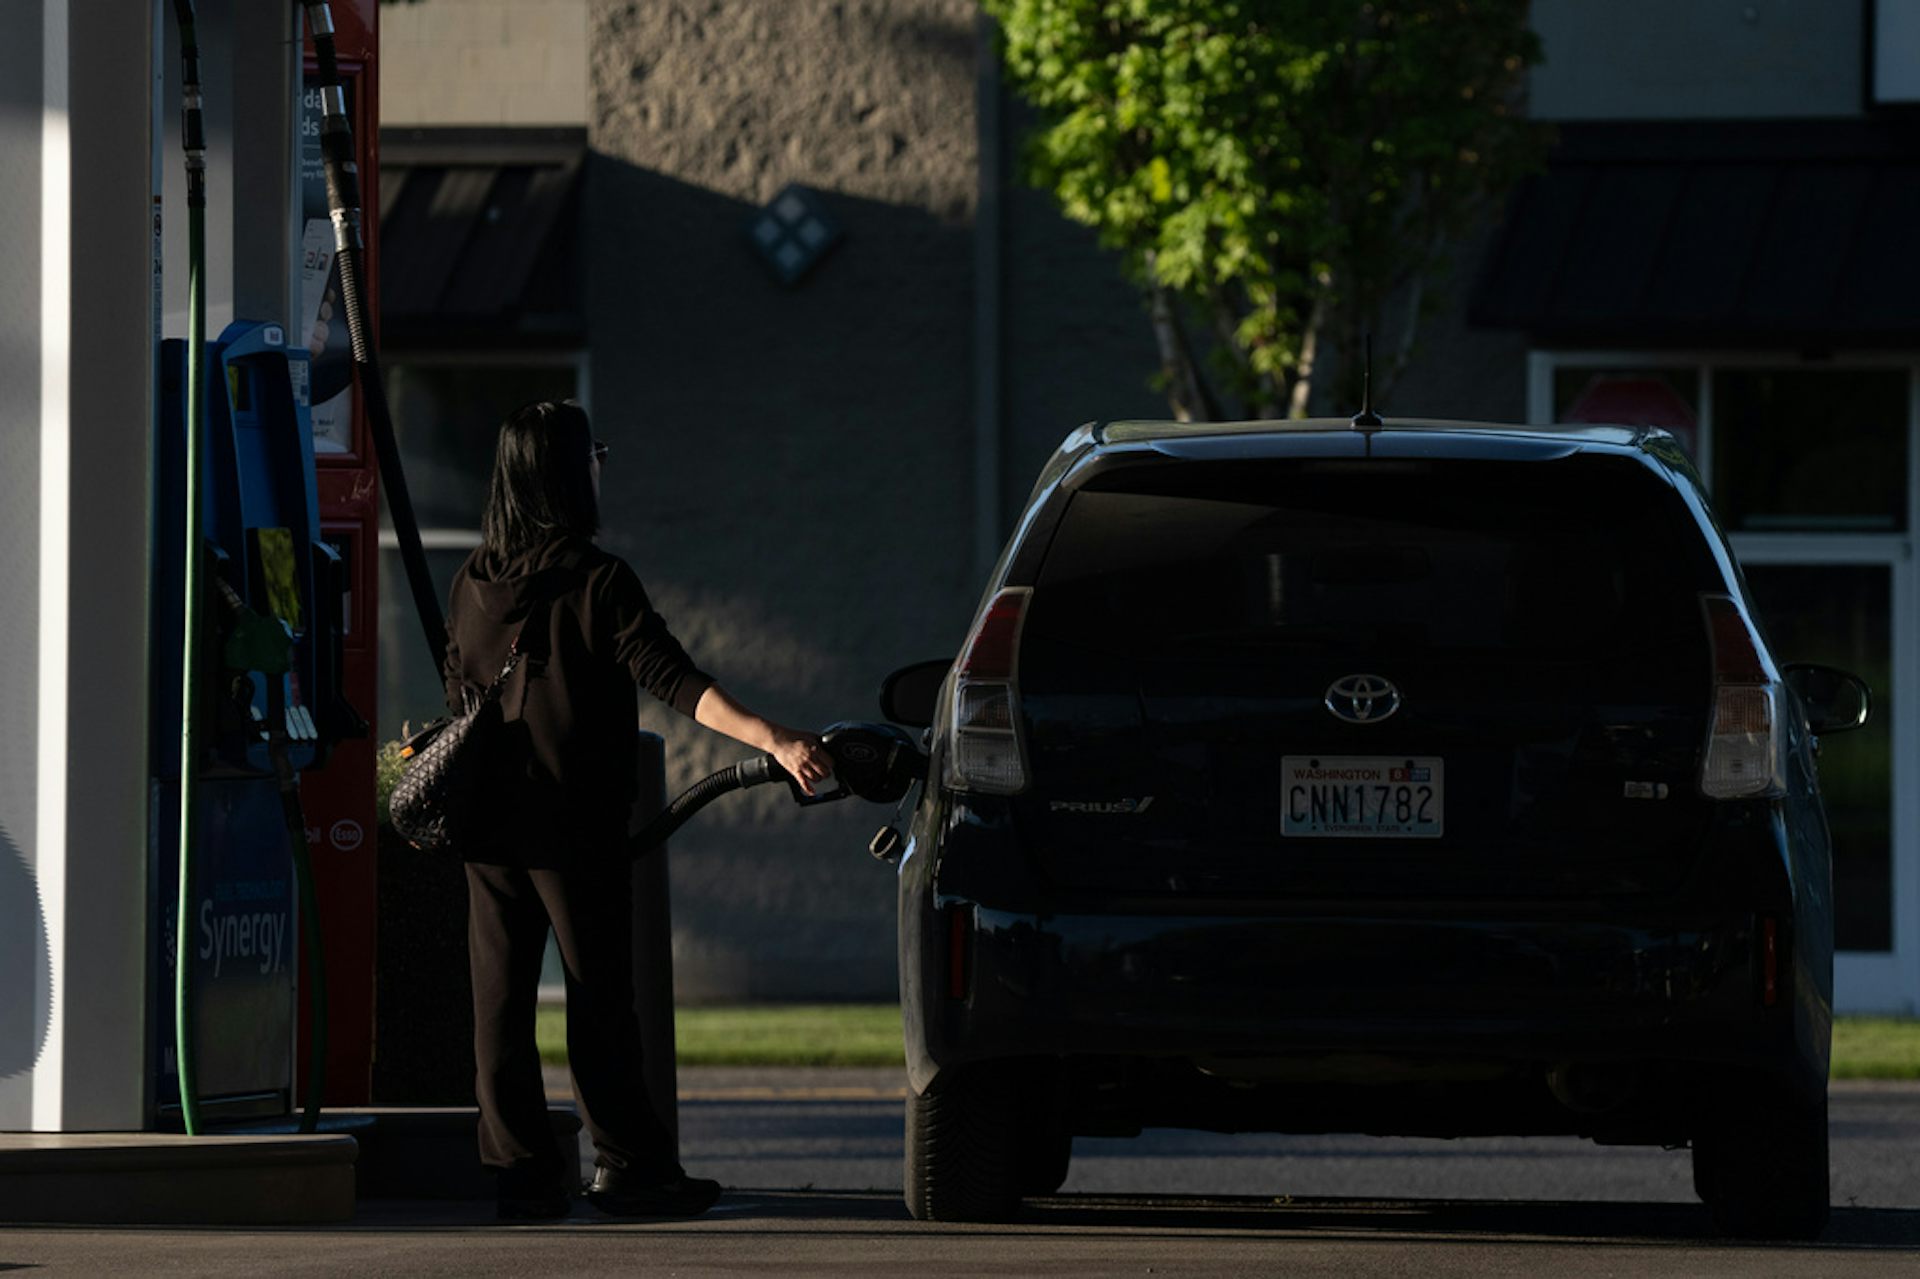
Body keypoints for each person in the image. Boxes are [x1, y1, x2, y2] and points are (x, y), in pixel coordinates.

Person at [442, 399, 833, 1220]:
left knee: (500, 1005)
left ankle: (518, 1171)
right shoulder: (598, 579)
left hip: (488, 826)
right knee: (600, 1002)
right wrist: (778, 740)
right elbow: (677, 681)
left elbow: (460, 697)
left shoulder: (473, 583)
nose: (600, 464)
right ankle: (629, 1166)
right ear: (563, 472)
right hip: (573, 825)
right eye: (595, 453)